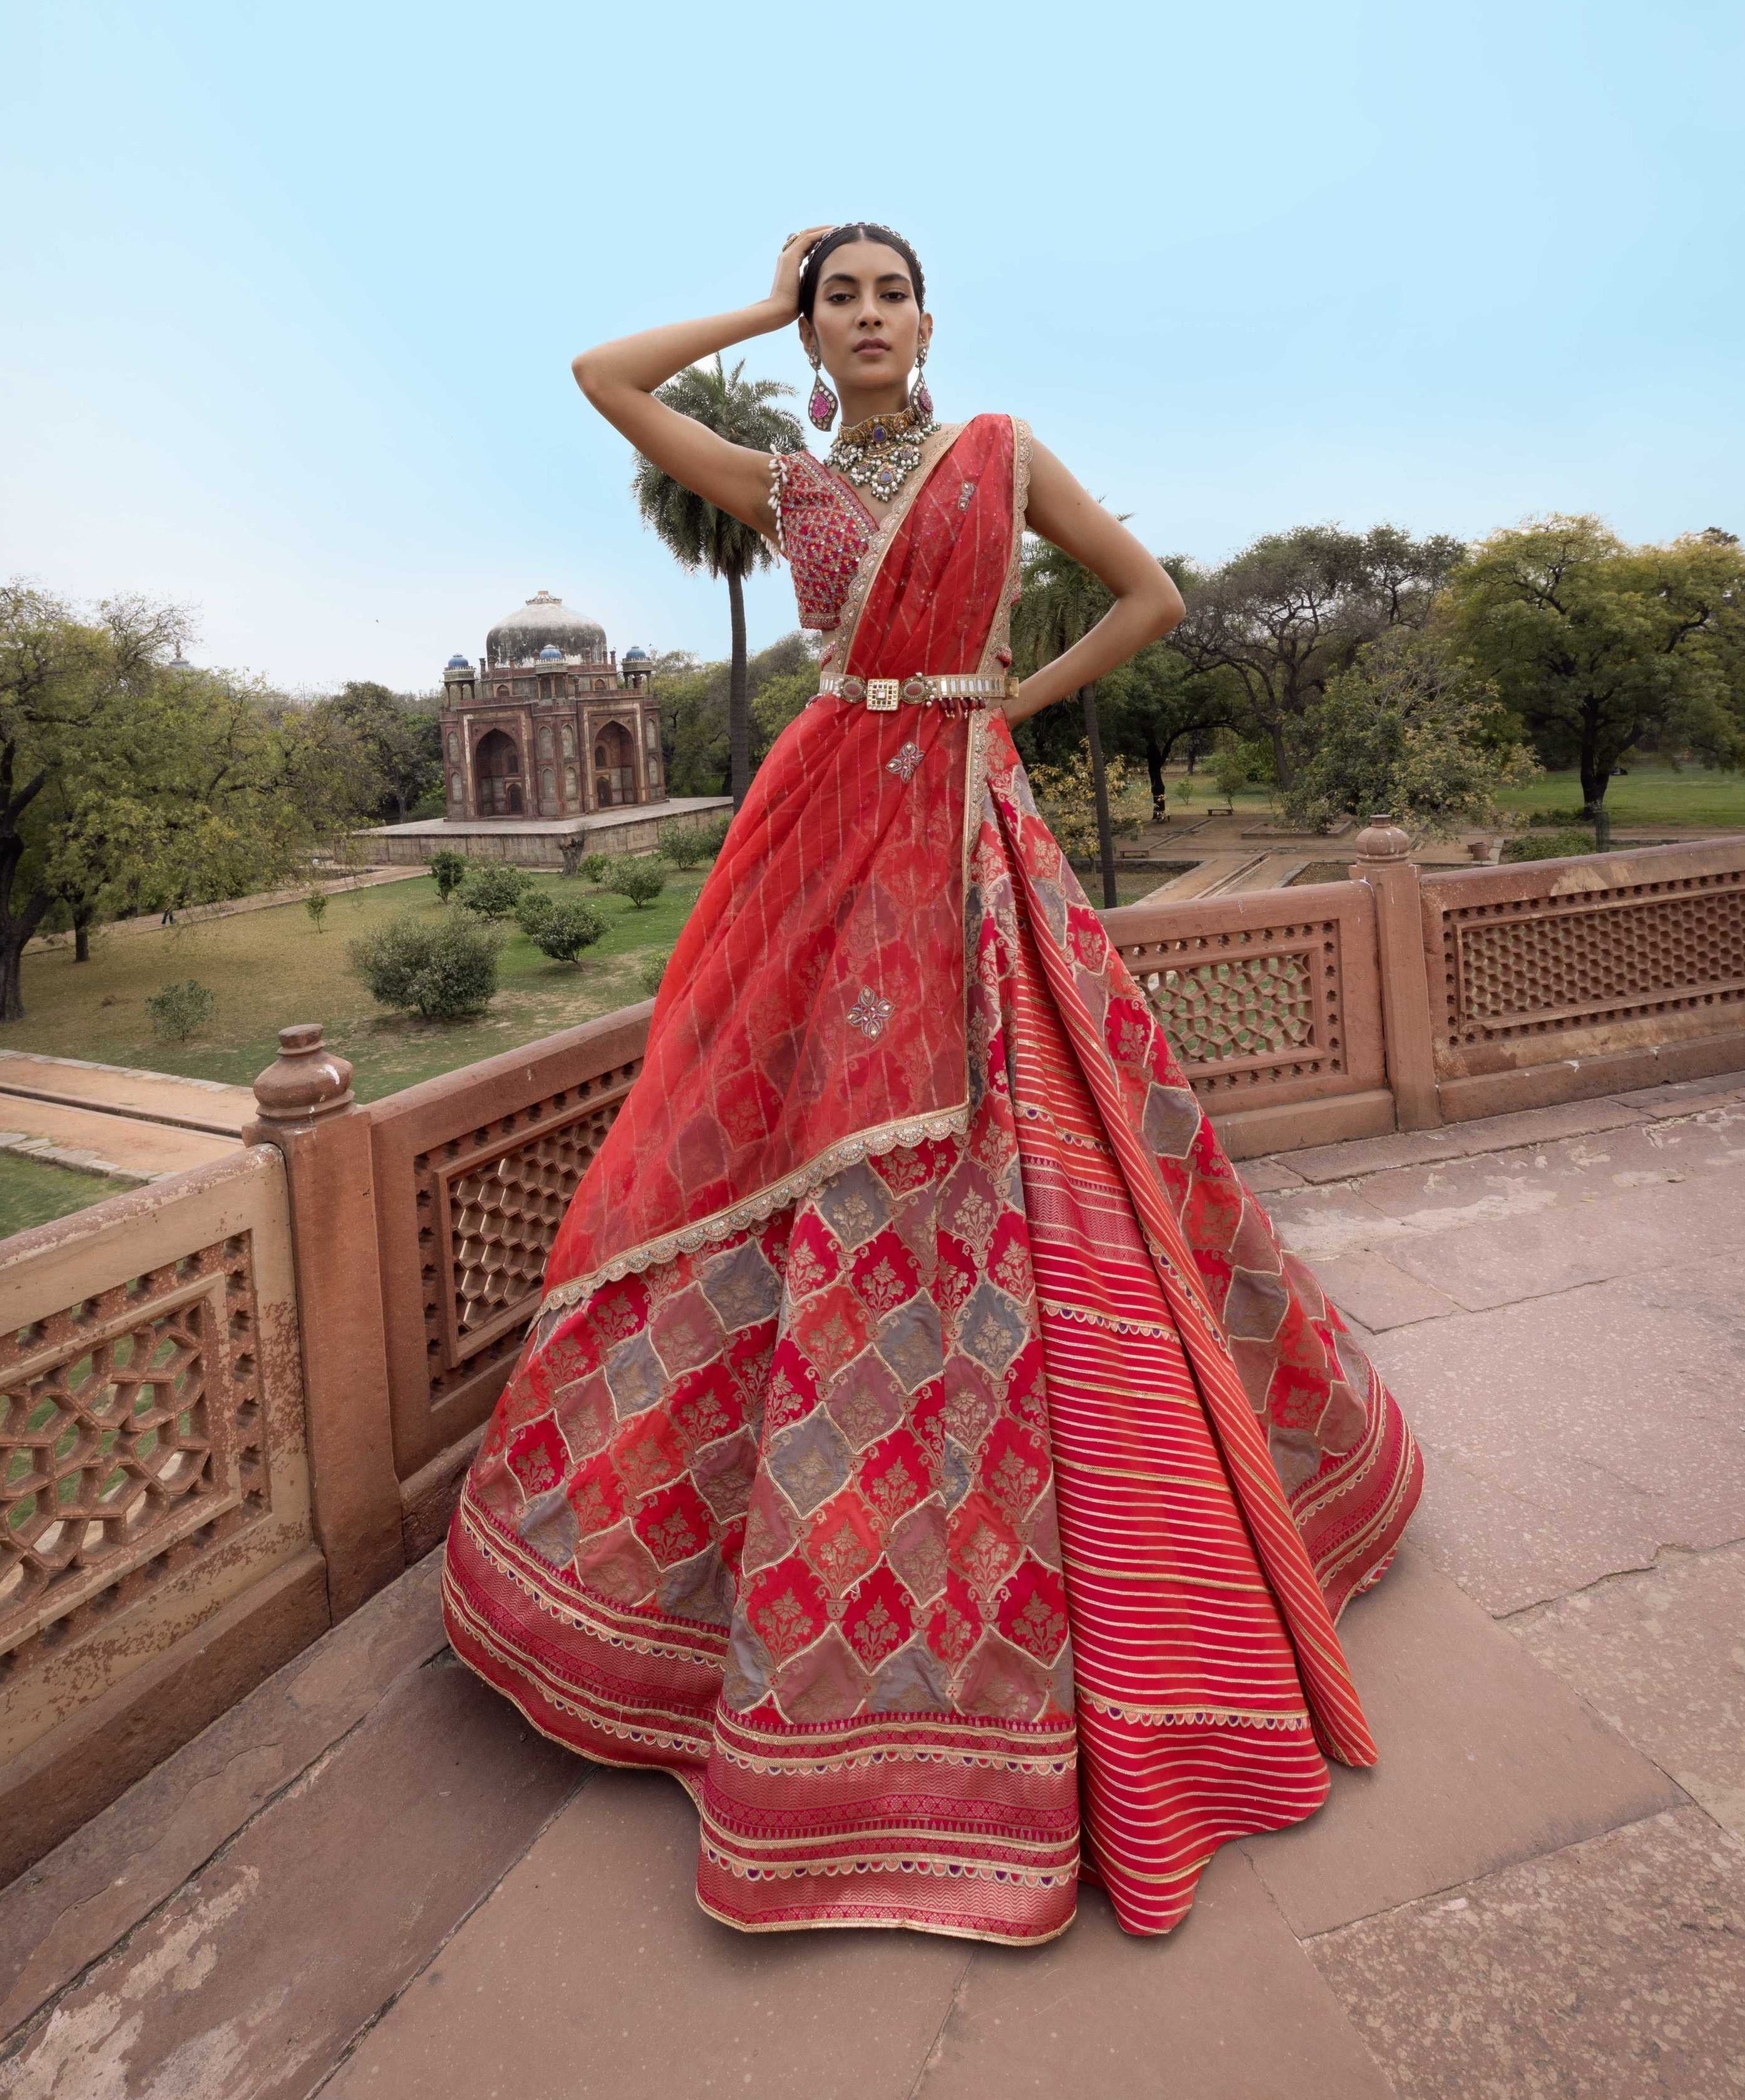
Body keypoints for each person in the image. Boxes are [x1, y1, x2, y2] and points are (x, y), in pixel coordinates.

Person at [442, 224, 1421, 1946]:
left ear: (929, 318)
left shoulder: (1000, 455)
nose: (868, 315)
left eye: (890, 292)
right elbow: (602, 378)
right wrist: (759, 300)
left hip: (967, 829)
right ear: (815, 331)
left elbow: (1149, 597)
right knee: (783, 1117)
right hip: (828, 832)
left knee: (1042, 1138)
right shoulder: (782, 480)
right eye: (841, 298)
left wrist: (1007, 698)